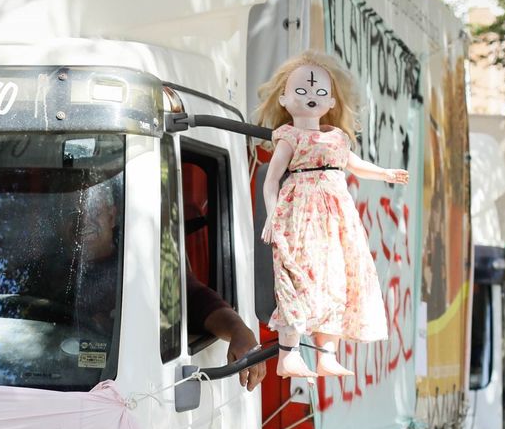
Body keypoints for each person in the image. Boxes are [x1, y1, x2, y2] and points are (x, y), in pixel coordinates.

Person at [256, 50, 407, 379]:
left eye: (320, 92)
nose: (311, 96)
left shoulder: (337, 138)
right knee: (298, 275)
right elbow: (271, 181)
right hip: (300, 213)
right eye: (302, 91)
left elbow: (354, 165)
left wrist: (384, 173)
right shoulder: (289, 137)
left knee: (336, 277)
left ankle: (327, 353)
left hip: (336, 218)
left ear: (331, 101)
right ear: (283, 98)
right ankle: (289, 353)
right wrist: (272, 216)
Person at [75, 182, 266, 390]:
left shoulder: (142, 263)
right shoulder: (51, 271)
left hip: (131, 390)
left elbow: (195, 298)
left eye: (94, 211)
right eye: (73, 213)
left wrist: (239, 331)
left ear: (112, 217)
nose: (84, 221)